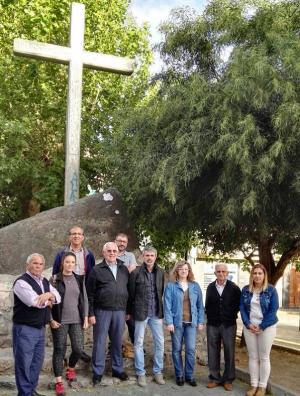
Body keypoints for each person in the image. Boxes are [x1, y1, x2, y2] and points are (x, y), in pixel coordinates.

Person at [12, 253, 61, 396]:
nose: (38, 266)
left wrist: (49, 296)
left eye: (40, 264)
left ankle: (31, 390)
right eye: (35, 263)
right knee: (23, 364)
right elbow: (35, 302)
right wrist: (49, 298)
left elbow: (58, 296)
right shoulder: (21, 282)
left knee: (36, 363)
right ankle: (24, 393)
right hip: (25, 329)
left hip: (40, 329)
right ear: (27, 265)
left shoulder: (44, 281)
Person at [87, 242, 129, 385]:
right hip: (101, 311)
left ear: (118, 252)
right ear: (103, 253)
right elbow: (90, 294)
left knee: (117, 342)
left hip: (119, 311)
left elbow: (127, 291)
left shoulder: (124, 269)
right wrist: (91, 313)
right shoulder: (96, 270)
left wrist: (127, 311)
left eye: (114, 251)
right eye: (109, 251)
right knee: (100, 342)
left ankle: (117, 369)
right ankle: (97, 372)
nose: (112, 253)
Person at [52, 226, 95, 363]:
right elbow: (55, 274)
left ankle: (78, 351)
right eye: (73, 234)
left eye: (79, 234)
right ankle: (62, 355)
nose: (76, 236)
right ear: (69, 236)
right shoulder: (61, 254)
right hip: (65, 286)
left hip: (81, 286)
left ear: (83, 237)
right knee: (61, 338)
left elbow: (92, 274)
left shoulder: (89, 254)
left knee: (79, 323)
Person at [50, 252, 89, 396]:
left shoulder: (79, 278)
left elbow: (84, 300)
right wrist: (51, 319)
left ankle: (71, 368)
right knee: (59, 350)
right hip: (59, 321)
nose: (70, 264)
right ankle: (59, 382)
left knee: (78, 349)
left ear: (75, 264)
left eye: (72, 262)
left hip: (76, 320)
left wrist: (85, 318)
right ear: (62, 263)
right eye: (67, 262)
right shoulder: (54, 279)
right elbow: (49, 302)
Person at [128, 246, 165, 387]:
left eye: (152, 255)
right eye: (147, 255)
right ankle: (140, 373)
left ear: (156, 257)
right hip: (140, 312)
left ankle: (158, 371)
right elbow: (131, 294)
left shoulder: (161, 272)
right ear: (143, 257)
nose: (149, 258)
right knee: (138, 343)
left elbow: (160, 292)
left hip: (156, 313)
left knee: (160, 343)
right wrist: (129, 312)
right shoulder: (136, 272)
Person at [240, 264, 279, 396]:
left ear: (264, 275)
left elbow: (273, 311)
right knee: (252, 356)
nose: (257, 275)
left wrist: (261, 326)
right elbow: (242, 309)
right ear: (252, 275)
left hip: (267, 327)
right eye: (254, 273)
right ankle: (254, 385)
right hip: (250, 327)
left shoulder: (271, 290)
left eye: (259, 273)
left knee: (264, 357)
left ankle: (262, 387)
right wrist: (248, 323)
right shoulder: (246, 290)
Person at [164, 260, 204, 387]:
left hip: (191, 323)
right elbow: (167, 305)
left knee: (191, 350)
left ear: (189, 271)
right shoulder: (171, 286)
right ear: (177, 271)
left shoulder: (195, 286)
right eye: (181, 269)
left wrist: (200, 321)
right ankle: (179, 375)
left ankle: (190, 375)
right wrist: (169, 322)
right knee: (176, 350)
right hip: (176, 323)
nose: (183, 271)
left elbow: (200, 306)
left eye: (186, 269)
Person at [205, 263, 241, 391]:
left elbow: (238, 305)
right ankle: (214, 378)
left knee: (229, 351)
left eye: (223, 271)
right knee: (212, 350)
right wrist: (210, 318)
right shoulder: (210, 287)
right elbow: (207, 304)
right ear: (215, 273)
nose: (221, 273)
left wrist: (230, 316)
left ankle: (228, 379)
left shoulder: (234, 288)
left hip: (228, 324)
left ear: (227, 273)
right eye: (218, 271)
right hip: (212, 324)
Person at [115, 232, 137, 345]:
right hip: (114, 296)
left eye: (124, 242)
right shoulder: (111, 253)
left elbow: (132, 270)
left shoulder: (131, 256)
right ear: (115, 241)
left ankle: (136, 347)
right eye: (120, 241)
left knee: (132, 323)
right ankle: (113, 347)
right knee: (115, 325)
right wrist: (125, 270)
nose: (122, 243)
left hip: (128, 294)